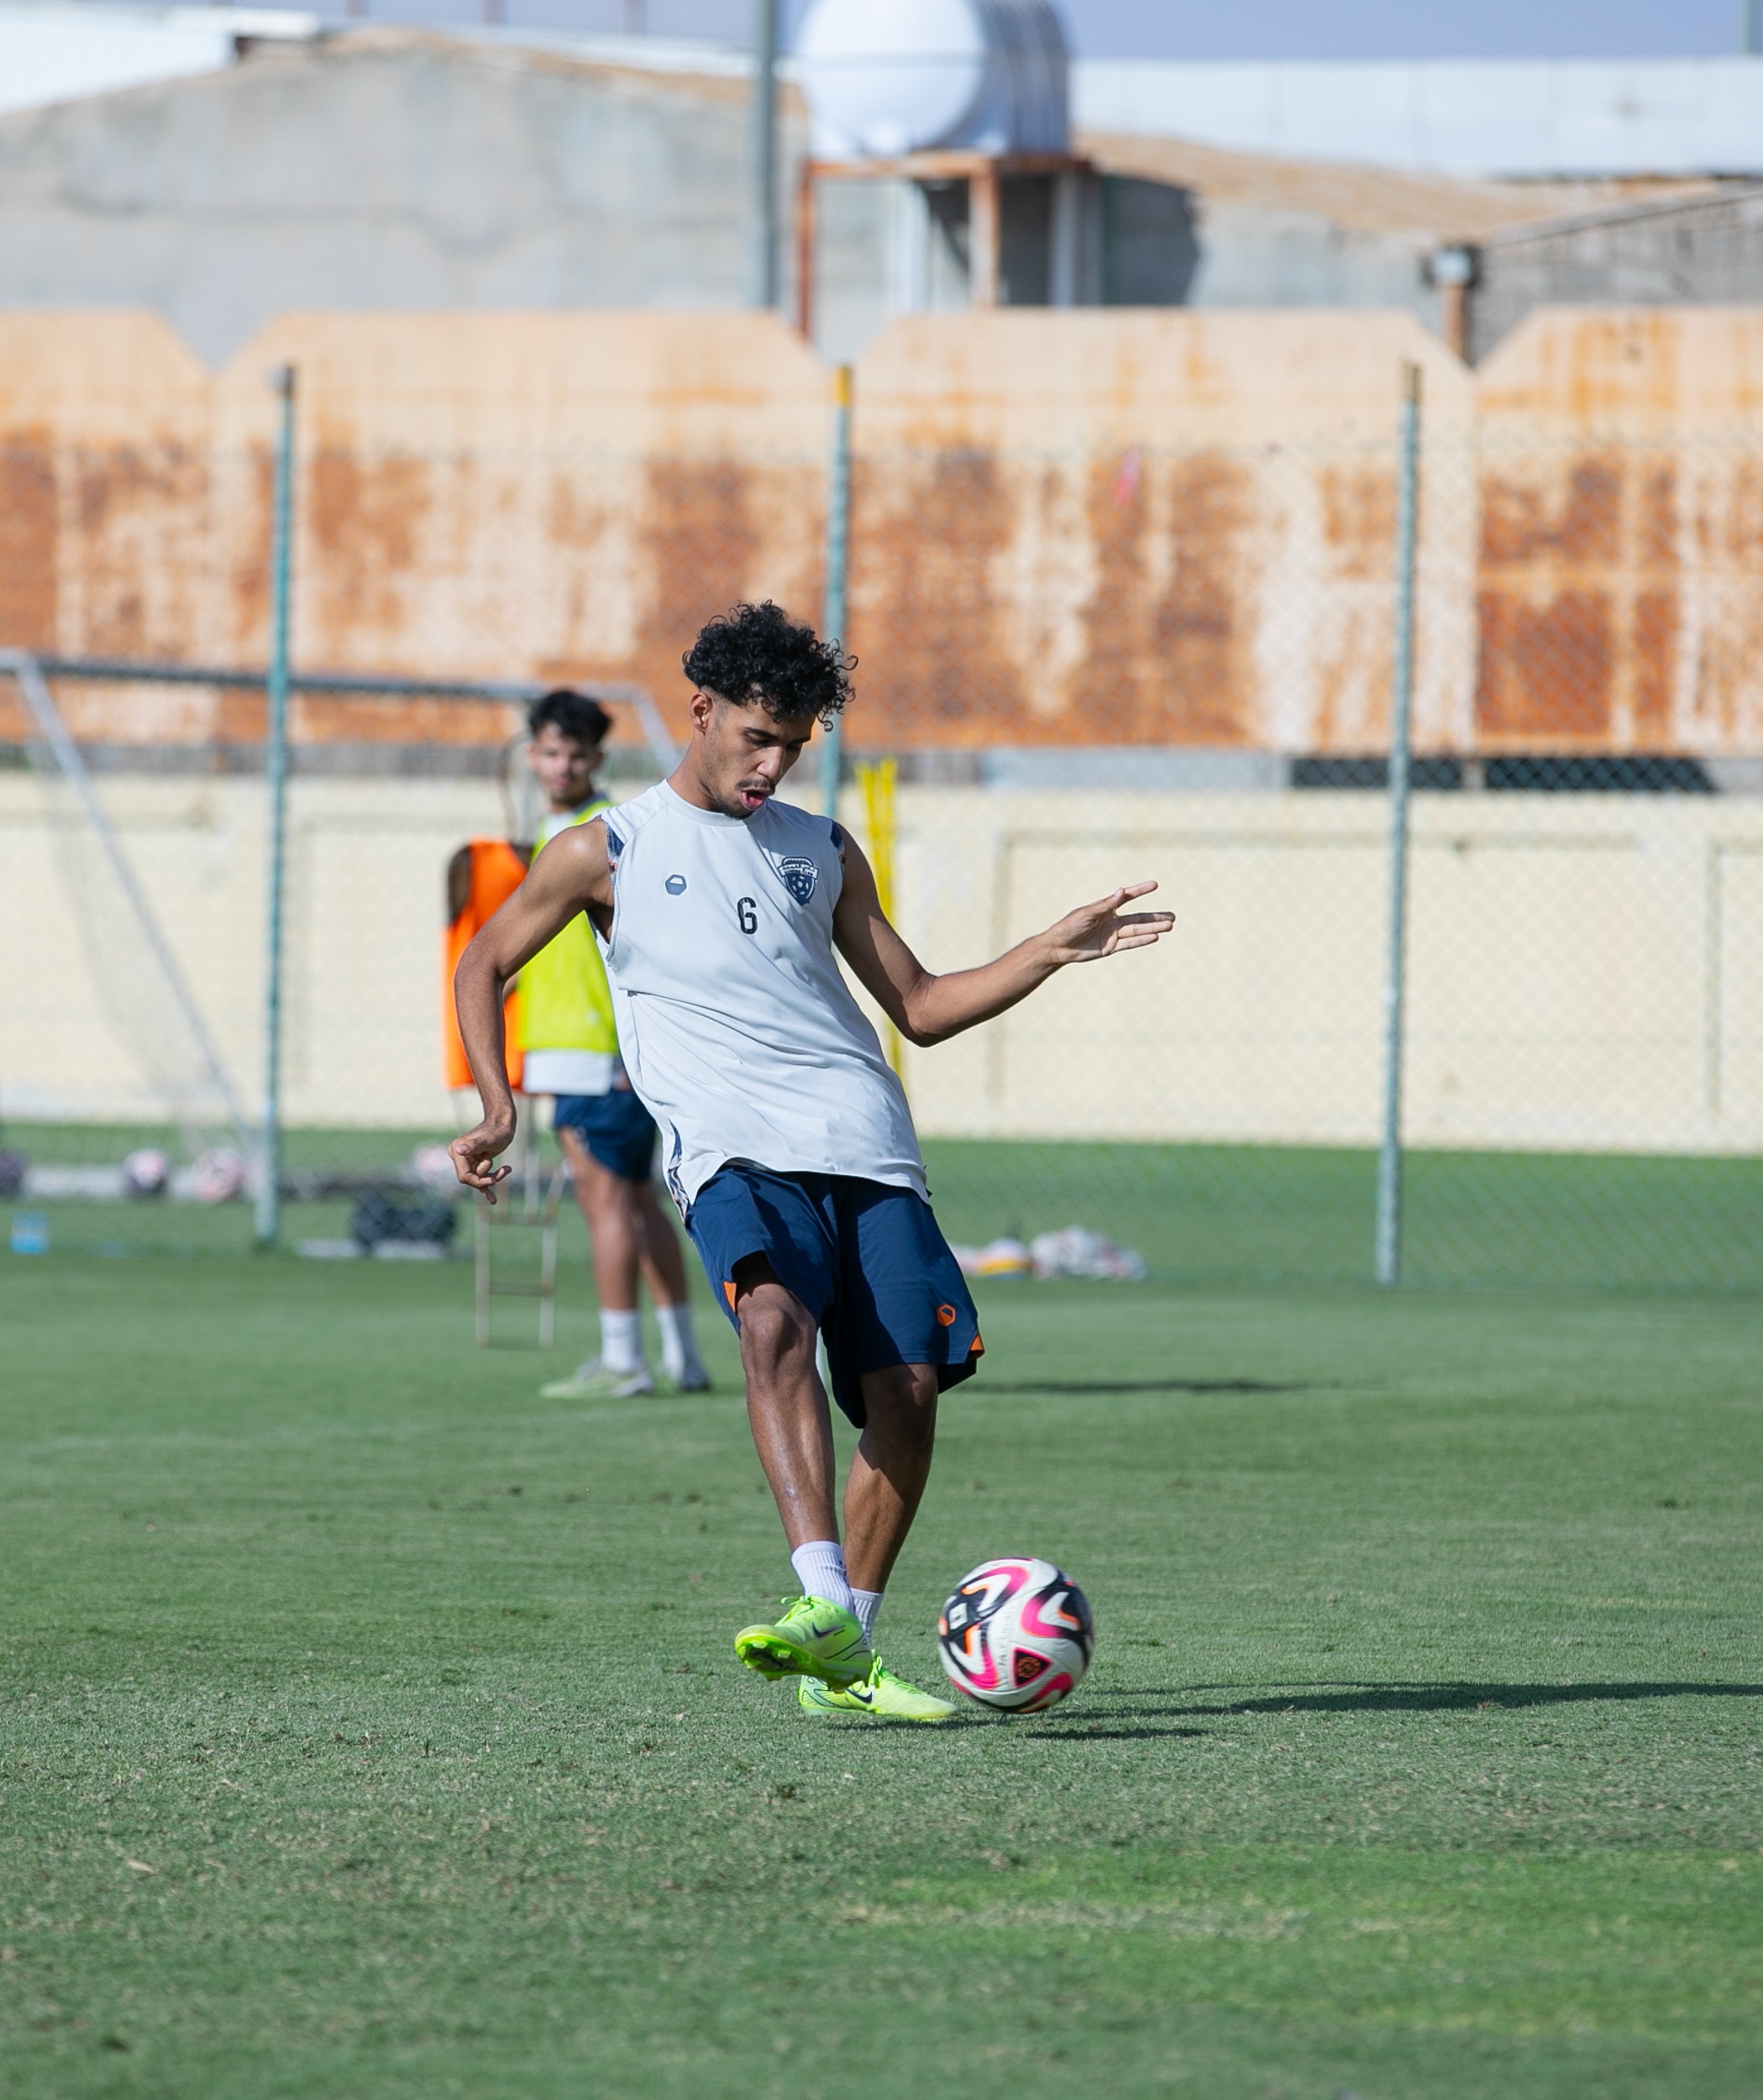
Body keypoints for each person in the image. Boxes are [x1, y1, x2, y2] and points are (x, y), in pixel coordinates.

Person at [450, 603, 1172, 1724]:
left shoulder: (821, 848)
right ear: (700, 710)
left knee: (908, 1389)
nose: (773, 762)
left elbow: (920, 1008)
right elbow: (485, 962)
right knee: (770, 1322)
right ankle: (819, 1596)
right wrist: (497, 1108)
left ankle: (849, 1656)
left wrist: (1045, 952)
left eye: (793, 743)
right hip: (729, 1147)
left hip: (861, 1138)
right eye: (755, 736)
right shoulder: (608, 847)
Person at [517, 690, 709, 1399]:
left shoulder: (600, 836)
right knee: (638, 1201)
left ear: (597, 758)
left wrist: (626, 1052)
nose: (560, 764)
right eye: (549, 751)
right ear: (532, 754)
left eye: (575, 753)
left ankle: (623, 1360)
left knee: (606, 1205)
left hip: (597, 1056)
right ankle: (682, 1356)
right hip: (585, 1051)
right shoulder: (561, 830)